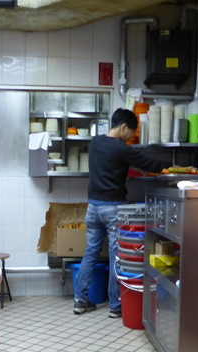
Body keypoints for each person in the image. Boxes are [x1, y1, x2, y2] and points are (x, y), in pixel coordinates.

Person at [73, 108, 171, 317]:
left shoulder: (95, 142)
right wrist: (173, 165)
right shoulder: (121, 149)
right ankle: (115, 306)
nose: (130, 138)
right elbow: (151, 163)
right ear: (124, 127)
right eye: (131, 134)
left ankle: (80, 300)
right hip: (113, 209)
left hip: (93, 208)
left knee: (90, 254)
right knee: (116, 257)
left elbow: (111, 164)